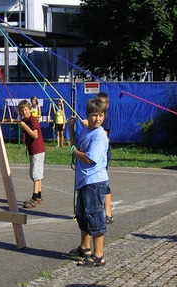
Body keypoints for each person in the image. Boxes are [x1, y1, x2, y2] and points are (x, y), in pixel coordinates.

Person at [66, 98, 109, 267]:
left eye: (100, 115)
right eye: (94, 115)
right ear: (88, 115)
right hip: (84, 180)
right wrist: (70, 128)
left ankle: (99, 255)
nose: (97, 119)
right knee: (82, 215)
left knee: (95, 216)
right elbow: (75, 146)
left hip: (95, 182)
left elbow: (89, 159)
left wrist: (73, 151)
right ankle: (85, 248)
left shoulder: (99, 136)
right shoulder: (86, 130)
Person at [18, 100, 46, 208]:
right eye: (22, 110)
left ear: (29, 109)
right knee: (36, 173)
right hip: (33, 150)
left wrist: (25, 127)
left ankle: (34, 198)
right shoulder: (25, 120)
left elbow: (35, 135)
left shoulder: (32, 120)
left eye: (26, 110)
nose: (24, 112)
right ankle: (38, 195)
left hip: (37, 150)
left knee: (35, 174)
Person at [96, 92, 113, 224]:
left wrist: (89, 126)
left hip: (103, 155)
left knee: (104, 184)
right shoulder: (96, 118)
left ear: (107, 105)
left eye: (102, 103)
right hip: (96, 154)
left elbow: (103, 134)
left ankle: (108, 213)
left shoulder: (105, 119)